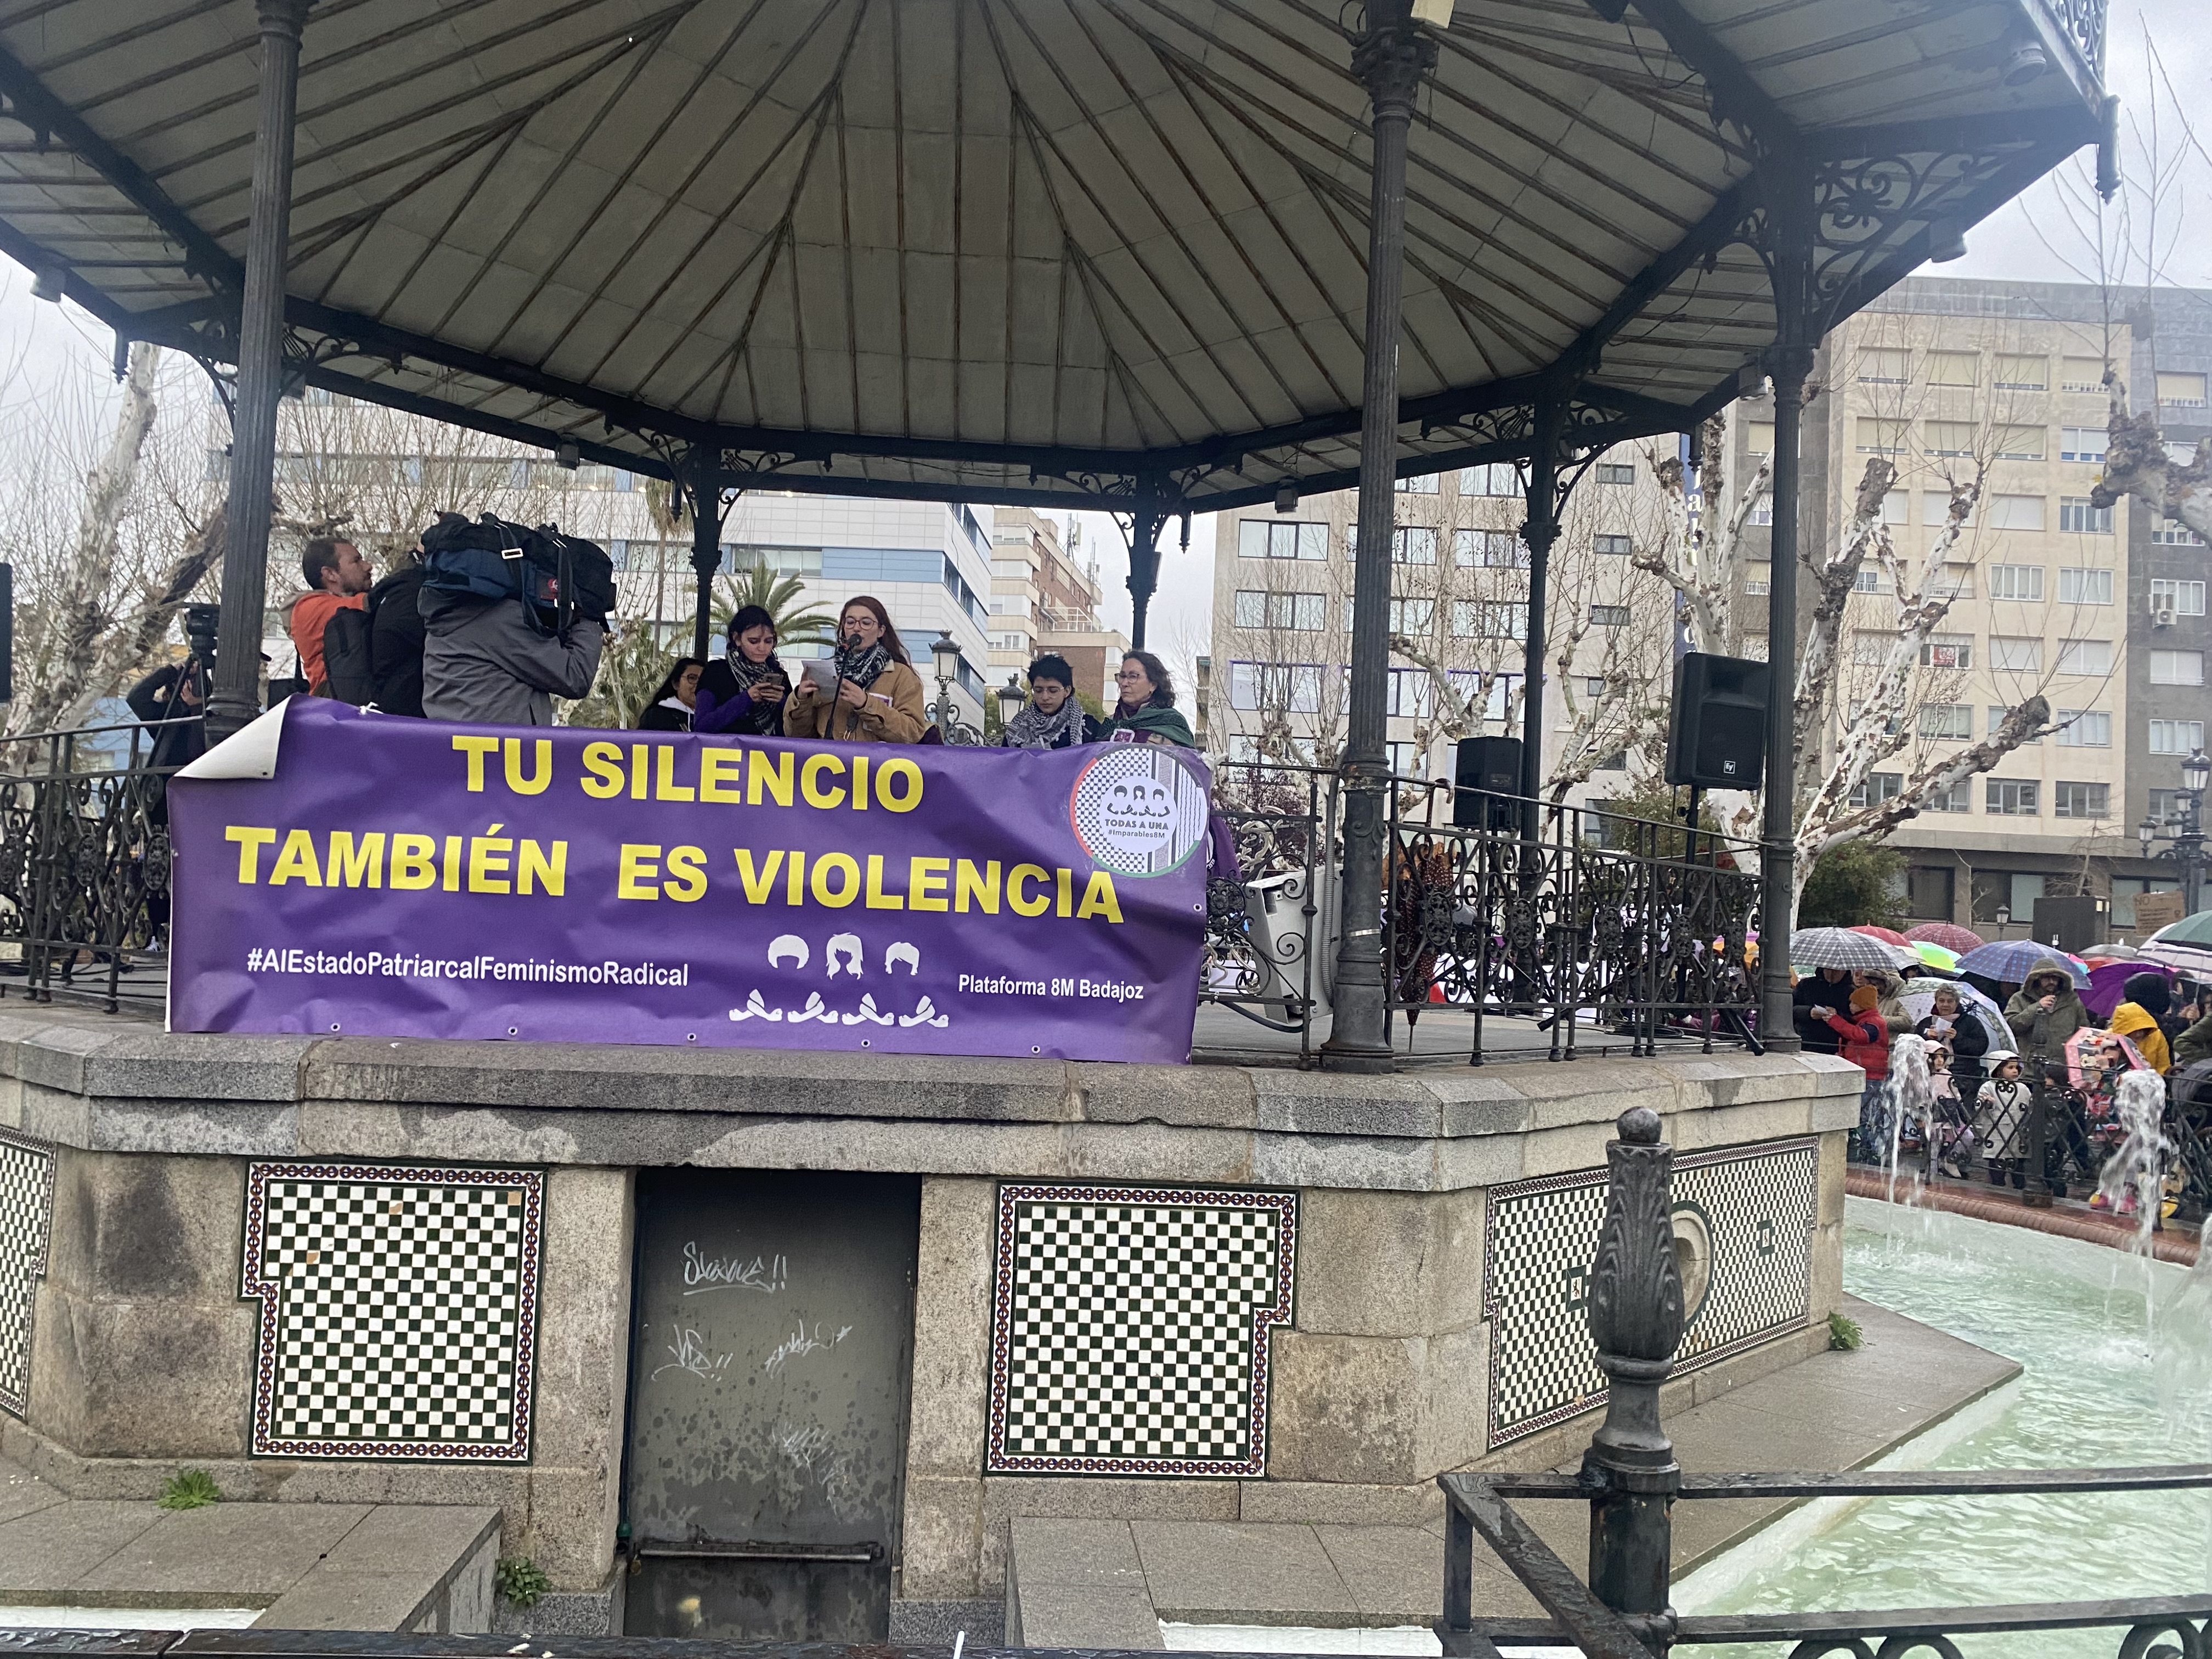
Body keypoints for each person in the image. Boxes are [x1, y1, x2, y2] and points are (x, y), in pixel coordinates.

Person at [420, 579, 606, 726]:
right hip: (502, 761)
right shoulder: (501, 619)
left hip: (454, 754)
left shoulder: (442, 616)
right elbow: (575, 675)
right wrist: (589, 617)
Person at [783, 596, 927, 743]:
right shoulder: (827, 671)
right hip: (831, 762)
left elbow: (912, 733)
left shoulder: (901, 675)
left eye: (866, 623)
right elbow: (797, 735)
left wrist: (866, 704)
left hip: (877, 763)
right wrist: (801, 699)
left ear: (881, 631)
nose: (856, 628)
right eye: (850, 622)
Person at [289, 537, 372, 697]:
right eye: (356, 561)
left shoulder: (331, 603)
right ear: (330, 574)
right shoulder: (310, 607)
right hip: (334, 706)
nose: (368, 566)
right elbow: (373, 603)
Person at [695, 606, 790, 737]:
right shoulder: (716, 672)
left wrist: (783, 702)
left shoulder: (779, 674)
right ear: (737, 639)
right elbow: (702, 726)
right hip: (727, 753)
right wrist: (746, 699)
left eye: (769, 641)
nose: (762, 648)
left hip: (770, 754)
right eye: (754, 641)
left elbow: (794, 730)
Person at [1826, 985, 1893, 1162]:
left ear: (1862, 1004)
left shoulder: (1874, 1023)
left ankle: (1871, 1152)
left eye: (1854, 1003)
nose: (1850, 1006)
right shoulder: (1868, 1020)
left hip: (1871, 1075)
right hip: (1868, 1073)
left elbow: (1861, 1036)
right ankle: (1869, 1151)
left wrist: (1835, 1021)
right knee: (1865, 1115)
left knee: (1864, 1114)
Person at [365, 544, 428, 717]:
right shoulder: (412, 595)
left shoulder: (394, 592)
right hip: (407, 715)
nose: (367, 566)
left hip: (394, 710)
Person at [1001, 653, 1099, 749]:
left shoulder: (1089, 728)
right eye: (1038, 691)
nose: (1045, 697)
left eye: (1053, 691)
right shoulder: (1017, 727)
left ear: (1067, 691)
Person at [1100, 651, 1195, 747]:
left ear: (1153, 685)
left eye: (1133, 676)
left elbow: (1187, 760)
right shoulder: (1109, 725)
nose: (1124, 684)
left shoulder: (1172, 722)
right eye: (1122, 676)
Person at [1915, 983, 1989, 1105]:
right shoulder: (1926, 1022)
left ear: (1956, 1003)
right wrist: (1927, 1037)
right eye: (1942, 1001)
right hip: (1931, 1077)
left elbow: (1981, 1047)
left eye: (1950, 1001)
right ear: (1936, 1002)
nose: (1945, 1005)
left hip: (1964, 1079)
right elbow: (1915, 1045)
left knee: (1963, 1119)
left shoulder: (1971, 1022)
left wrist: (1958, 1038)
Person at [1971, 1050, 2033, 1188]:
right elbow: (1980, 1108)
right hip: (1996, 1132)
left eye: (2017, 1068)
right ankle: (1997, 1188)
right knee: (1997, 1166)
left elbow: (2030, 1105)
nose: (2015, 1071)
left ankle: (2019, 1188)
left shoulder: (2022, 1088)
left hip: (2017, 1132)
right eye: (2010, 1068)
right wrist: (1987, 1103)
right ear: (1998, 1069)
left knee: (2018, 1166)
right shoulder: (1988, 1087)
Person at [2005, 957, 2090, 1051]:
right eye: (2047, 978)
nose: (2051, 982)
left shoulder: (2072, 1000)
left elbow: (2083, 1031)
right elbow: (2011, 1027)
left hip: (2063, 1061)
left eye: (2055, 978)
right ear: (2037, 979)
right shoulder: (2020, 998)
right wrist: (2037, 1007)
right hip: (2031, 1061)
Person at [2108, 970, 2175, 1074]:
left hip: (2150, 1085)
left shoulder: (2156, 1035)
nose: (2139, 1034)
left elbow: (2163, 1066)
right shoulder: (2110, 1037)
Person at [1793, 965, 1852, 1055]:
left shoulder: (1852, 991)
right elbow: (1790, 1010)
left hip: (1837, 1047)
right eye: (1829, 969)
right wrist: (1809, 1012)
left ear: (1845, 971)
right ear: (1823, 968)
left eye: (1837, 970)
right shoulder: (1806, 985)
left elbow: (1857, 1020)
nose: (1832, 974)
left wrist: (1838, 1015)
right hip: (1806, 1043)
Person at [639, 658, 705, 732]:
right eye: (692, 678)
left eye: (704, 679)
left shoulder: (711, 718)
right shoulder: (657, 716)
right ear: (676, 684)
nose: (699, 685)